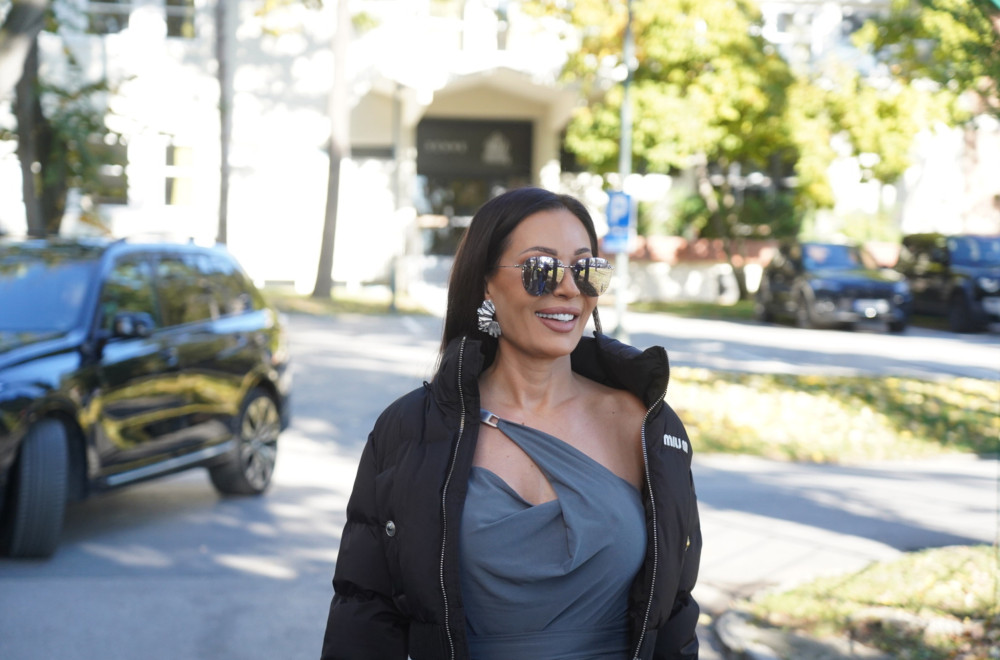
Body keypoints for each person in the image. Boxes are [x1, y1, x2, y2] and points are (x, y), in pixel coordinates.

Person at [321, 187, 701, 660]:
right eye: (541, 268)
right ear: (486, 283)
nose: (569, 289)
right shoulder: (409, 430)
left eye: (585, 269)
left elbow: (674, 615)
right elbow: (365, 615)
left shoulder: (645, 427)